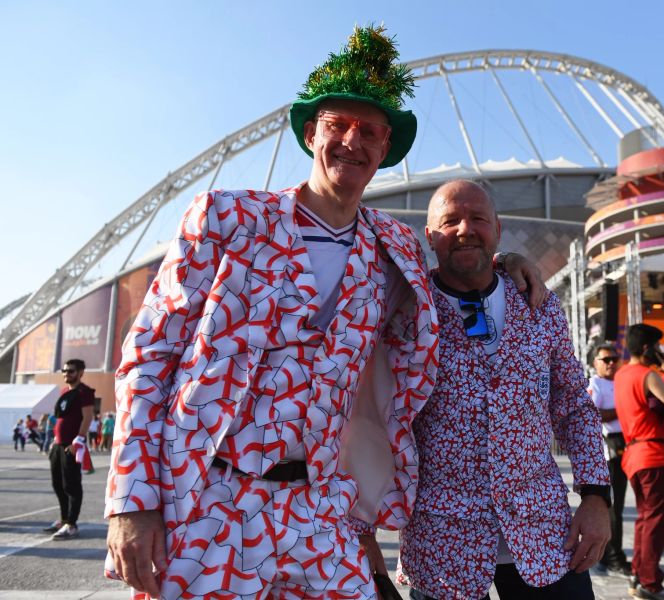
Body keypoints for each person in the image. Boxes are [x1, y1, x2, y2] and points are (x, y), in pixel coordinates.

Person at [104, 27, 542, 600]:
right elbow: (149, 354)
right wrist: (131, 504)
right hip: (210, 503)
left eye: (370, 132)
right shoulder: (226, 219)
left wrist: (507, 259)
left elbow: (460, 264)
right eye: (338, 126)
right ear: (311, 133)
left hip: (321, 514)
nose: (352, 142)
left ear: (385, 150)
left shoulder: (395, 250)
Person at [395, 180, 610, 600]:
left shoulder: (539, 304)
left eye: (477, 218)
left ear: (498, 225)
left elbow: (573, 405)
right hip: (442, 544)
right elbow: (374, 418)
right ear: (429, 236)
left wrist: (596, 497)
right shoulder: (406, 311)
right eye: (450, 220)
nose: (464, 229)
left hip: (544, 534)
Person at [615, 323, 664, 600]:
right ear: (647, 348)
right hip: (655, 455)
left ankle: (639, 576)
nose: (660, 352)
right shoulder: (647, 376)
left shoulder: (622, 375)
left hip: (634, 455)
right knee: (657, 522)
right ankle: (650, 582)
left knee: (645, 520)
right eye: (657, 347)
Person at [588, 343, 631, 577]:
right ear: (595, 363)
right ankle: (612, 557)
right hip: (609, 449)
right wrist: (623, 410)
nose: (611, 363)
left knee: (620, 507)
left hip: (627, 445)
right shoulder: (594, 384)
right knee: (612, 507)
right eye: (606, 359)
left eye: (614, 358)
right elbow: (593, 414)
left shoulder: (622, 381)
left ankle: (610, 555)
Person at [44, 358, 96, 540]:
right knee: (57, 484)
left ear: (81, 372)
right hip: (58, 445)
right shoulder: (65, 391)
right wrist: (54, 441)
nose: (67, 374)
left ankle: (71, 524)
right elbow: (60, 419)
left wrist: (78, 442)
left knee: (71, 485)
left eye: (71, 371)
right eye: (64, 371)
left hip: (71, 446)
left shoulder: (85, 392)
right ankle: (64, 518)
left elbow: (87, 417)